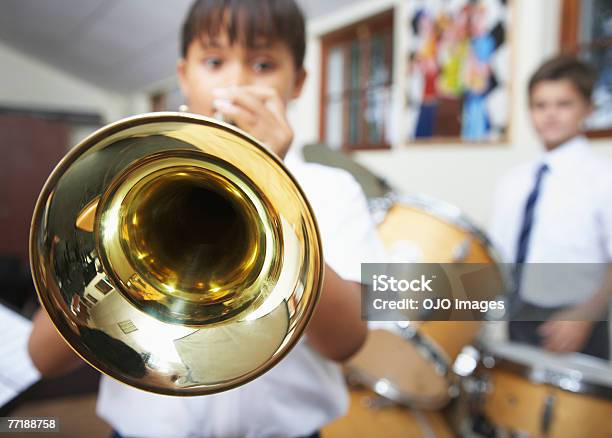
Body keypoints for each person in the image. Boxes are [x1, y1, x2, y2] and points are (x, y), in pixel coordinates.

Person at [27, 1, 386, 436]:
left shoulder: (333, 190)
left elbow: (347, 342)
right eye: (214, 61)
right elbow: (42, 358)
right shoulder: (130, 172)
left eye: (263, 63)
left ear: (299, 82)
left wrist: (277, 191)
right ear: (184, 75)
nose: (235, 82)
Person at [489, 55, 612, 360]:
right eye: (540, 105)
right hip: (518, 318)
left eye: (564, 104)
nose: (550, 115)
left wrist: (584, 315)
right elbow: (496, 254)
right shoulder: (514, 182)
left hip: (576, 324)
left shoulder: (602, 178)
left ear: (588, 109)